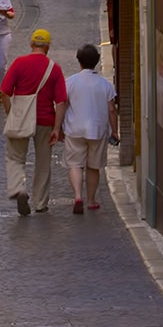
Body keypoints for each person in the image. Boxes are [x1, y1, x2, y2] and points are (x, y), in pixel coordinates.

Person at [0, 28, 68, 215]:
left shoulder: (20, 63)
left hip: (21, 118)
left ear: (31, 45)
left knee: (15, 157)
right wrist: (57, 128)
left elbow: (4, 91)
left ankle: (18, 188)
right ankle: (40, 202)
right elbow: (61, 102)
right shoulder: (54, 69)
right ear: (48, 47)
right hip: (45, 120)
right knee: (43, 162)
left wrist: (10, 113)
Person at [61, 43, 119, 213]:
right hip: (98, 130)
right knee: (94, 166)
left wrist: (58, 127)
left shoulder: (70, 82)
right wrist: (114, 131)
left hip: (74, 129)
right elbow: (111, 110)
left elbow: (63, 105)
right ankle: (91, 200)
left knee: (74, 164)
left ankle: (78, 196)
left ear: (79, 61)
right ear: (96, 61)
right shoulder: (105, 85)